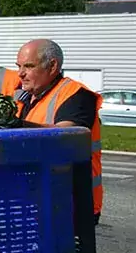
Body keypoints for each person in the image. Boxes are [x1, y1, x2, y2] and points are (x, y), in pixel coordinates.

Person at [15, 39, 102, 224]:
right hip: (39, 201)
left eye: (29, 66)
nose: (20, 73)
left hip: (71, 205)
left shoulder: (76, 95)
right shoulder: (26, 97)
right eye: (19, 66)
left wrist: (17, 125)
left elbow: (68, 134)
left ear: (52, 66)